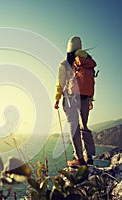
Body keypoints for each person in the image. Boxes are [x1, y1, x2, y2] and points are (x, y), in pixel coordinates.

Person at [54, 36, 96, 166]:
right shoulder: (86, 62)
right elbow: (90, 82)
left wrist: (57, 98)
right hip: (85, 98)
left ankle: (79, 158)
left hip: (71, 98)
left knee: (74, 127)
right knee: (84, 126)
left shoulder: (64, 64)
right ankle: (88, 155)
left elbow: (60, 84)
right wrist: (90, 100)